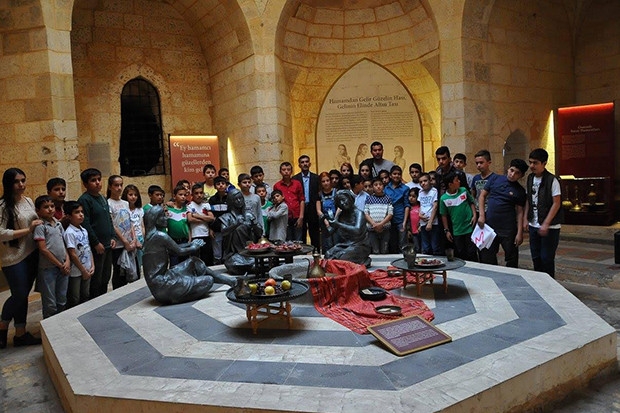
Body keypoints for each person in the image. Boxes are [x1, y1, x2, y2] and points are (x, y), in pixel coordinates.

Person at [142, 205, 238, 305]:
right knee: (208, 281)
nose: (166, 218)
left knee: (194, 262)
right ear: (155, 219)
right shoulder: (160, 236)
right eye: (163, 216)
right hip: (163, 285)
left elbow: (173, 248)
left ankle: (229, 281)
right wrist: (194, 247)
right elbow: (179, 251)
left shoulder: (150, 237)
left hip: (161, 283)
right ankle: (176, 296)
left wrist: (191, 244)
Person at [0, 168, 43, 348]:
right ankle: (2, 327)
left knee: (23, 295)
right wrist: (28, 230)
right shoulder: (3, 206)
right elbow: (1, 233)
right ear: (8, 184)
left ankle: (20, 333)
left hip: (31, 253)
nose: (21, 184)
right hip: (13, 257)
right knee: (18, 294)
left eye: (23, 180)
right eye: (16, 181)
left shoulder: (28, 201)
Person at [478, 159, 528, 268]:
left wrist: (520, 233)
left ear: (521, 175)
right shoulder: (495, 179)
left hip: (508, 228)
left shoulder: (520, 191)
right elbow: (482, 196)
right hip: (490, 225)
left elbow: (520, 212)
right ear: (508, 168)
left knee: (511, 257)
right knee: (487, 256)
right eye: (512, 170)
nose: (512, 174)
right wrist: (481, 215)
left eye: (517, 173)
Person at [523, 148, 563, 278]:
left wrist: (546, 223)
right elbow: (528, 200)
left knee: (546, 258)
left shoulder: (552, 180)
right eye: (530, 162)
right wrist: (525, 218)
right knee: (536, 257)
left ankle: (550, 284)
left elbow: (556, 203)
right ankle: (539, 282)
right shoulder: (530, 178)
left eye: (535, 163)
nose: (532, 166)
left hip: (550, 227)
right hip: (533, 224)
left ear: (544, 163)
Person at [78, 168, 115, 298]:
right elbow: (86, 223)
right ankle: (95, 302)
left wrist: (112, 236)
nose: (98, 182)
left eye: (99, 179)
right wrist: (95, 243)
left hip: (108, 244)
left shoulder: (102, 198)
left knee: (106, 276)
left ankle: (104, 300)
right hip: (97, 246)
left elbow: (109, 218)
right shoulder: (85, 200)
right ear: (85, 184)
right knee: (96, 279)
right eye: (93, 180)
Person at [33, 195, 70, 319]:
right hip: (48, 269)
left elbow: (64, 244)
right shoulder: (40, 226)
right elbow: (43, 249)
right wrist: (59, 264)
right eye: (46, 207)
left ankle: (60, 323)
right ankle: (49, 326)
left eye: (52, 206)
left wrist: (67, 261)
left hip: (63, 267)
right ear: (38, 211)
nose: (50, 209)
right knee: (50, 303)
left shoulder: (58, 224)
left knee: (62, 299)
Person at [215, 189, 262, 274]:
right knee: (234, 264)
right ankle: (248, 267)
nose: (239, 201)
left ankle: (250, 267)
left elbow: (259, 234)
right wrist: (236, 224)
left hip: (249, 252)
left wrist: (254, 225)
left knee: (256, 262)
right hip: (235, 253)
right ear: (231, 201)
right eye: (236, 199)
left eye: (240, 198)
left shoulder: (249, 215)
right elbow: (223, 232)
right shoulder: (227, 217)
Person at [324, 190, 371, 266]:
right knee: (328, 254)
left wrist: (338, 224)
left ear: (350, 198)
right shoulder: (341, 215)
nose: (342, 203)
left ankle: (364, 260)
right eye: (339, 202)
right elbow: (329, 233)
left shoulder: (358, 213)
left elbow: (357, 230)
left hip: (360, 245)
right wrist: (325, 221)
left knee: (341, 258)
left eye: (343, 199)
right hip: (346, 244)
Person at [439, 172, 478, 261]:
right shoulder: (443, 198)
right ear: (450, 184)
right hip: (457, 229)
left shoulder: (463, 190)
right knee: (461, 253)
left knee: (472, 252)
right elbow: (444, 215)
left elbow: (471, 202)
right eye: (456, 180)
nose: (459, 181)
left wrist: (474, 215)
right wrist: (447, 230)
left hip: (469, 226)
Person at [107, 175, 136, 290]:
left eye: (121, 185)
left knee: (131, 271)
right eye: (116, 185)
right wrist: (124, 241)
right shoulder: (108, 203)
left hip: (129, 243)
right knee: (119, 272)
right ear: (110, 187)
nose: (119, 188)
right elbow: (112, 224)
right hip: (119, 244)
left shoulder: (125, 203)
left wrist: (134, 239)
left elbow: (130, 221)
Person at [63, 201, 94, 308]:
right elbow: (73, 254)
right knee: (75, 297)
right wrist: (83, 270)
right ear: (69, 216)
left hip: (87, 267)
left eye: (82, 212)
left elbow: (88, 248)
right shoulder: (69, 233)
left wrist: (92, 265)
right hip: (76, 271)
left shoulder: (84, 230)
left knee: (86, 294)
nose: (81, 214)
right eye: (77, 212)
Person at [293, 155, 320, 249]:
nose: (305, 164)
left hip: (313, 208)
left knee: (314, 233)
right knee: (301, 232)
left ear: (310, 164)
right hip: (300, 209)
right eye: (302, 162)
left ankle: (316, 253)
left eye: (306, 162)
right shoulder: (295, 179)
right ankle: (303, 253)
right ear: (299, 165)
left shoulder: (316, 178)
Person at [274, 161, 304, 242]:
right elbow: (276, 202)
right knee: (287, 241)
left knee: (298, 241)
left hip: (297, 215)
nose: (286, 171)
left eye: (288, 169)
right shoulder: (277, 186)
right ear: (280, 172)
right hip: (284, 217)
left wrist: (301, 217)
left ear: (291, 171)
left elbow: (301, 199)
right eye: (284, 170)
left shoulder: (297, 184)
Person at [187, 183, 214, 266]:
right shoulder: (190, 205)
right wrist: (205, 219)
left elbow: (212, 218)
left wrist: (197, 216)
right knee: (197, 259)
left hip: (206, 235)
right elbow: (190, 219)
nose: (199, 195)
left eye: (201, 193)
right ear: (192, 195)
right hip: (195, 235)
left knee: (208, 259)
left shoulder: (206, 205)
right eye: (196, 193)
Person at [364, 177, 393, 254]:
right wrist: (374, 224)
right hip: (372, 228)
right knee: (375, 250)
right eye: (376, 185)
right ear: (372, 187)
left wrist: (381, 224)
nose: (378, 186)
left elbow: (390, 214)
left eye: (380, 184)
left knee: (384, 250)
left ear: (383, 186)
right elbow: (366, 213)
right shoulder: (369, 199)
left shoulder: (388, 198)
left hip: (385, 228)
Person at [384, 165, 410, 253]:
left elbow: (407, 205)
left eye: (399, 174)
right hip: (388, 220)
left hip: (400, 218)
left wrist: (405, 222)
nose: (397, 176)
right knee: (391, 244)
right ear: (390, 175)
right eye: (394, 174)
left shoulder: (405, 188)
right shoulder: (386, 188)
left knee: (403, 245)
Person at [122, 184, 144, 279]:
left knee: (139, 266)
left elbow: (142, 225)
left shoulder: (139, 210)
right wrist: (134, 240)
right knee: (129, 266)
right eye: (130, 195)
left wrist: (142, 238)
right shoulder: (124, 210)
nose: (133, 197)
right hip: (130, 240)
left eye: (135, 195)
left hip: (140, 239)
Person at [167, 183, 191, 267]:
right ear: (174, 196)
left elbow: (189, 225)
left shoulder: (187, 209)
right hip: (172, 241)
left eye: (185, 195)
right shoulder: (168, 209)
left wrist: (189, 239)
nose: (183, 197)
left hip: (184, 241)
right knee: (174, 264)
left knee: (185, 264)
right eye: (180, 195)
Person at [418, 172, 441, 255]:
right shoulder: (420, 192)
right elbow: (421, 205)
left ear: (430, 181)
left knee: (435, 246)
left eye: (425, 181)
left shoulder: (434, 191)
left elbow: (435, 207)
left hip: (433, 222)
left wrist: (430, 222)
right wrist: (419, 215)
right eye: (421, 182)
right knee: (425, 246)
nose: (423, 183)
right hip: (423, 222)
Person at [208, 176, 229, 264]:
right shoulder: (212, 200)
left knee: (227, 249)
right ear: (215, 186)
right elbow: (209, 215)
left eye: (223, 183)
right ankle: (217, 264)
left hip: (228, 228)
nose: (221, 185)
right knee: (217, 252)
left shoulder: (230, 198)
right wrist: (210, 228)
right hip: (216, 229)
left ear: (226, 185)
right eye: (218, 184)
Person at [316, 172, 336, 254]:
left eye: (327, 180)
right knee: (327, 243)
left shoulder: (336, 192)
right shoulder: (319, 194)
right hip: (324, 221)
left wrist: (336, 219)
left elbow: (340, 207)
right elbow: (318, 210)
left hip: (336, 220)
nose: (326, 183)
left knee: (336, 242)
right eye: (323, 181)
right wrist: (325, 221)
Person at [407, 187, 421, 252]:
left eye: (413, 196)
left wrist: (420, 226)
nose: (411, 198)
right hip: (412, 232)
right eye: (410, 196)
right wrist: (408, 230)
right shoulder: (408, 208)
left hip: (420, 230)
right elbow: (407, 220)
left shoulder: (421, 206)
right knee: (416, 248)